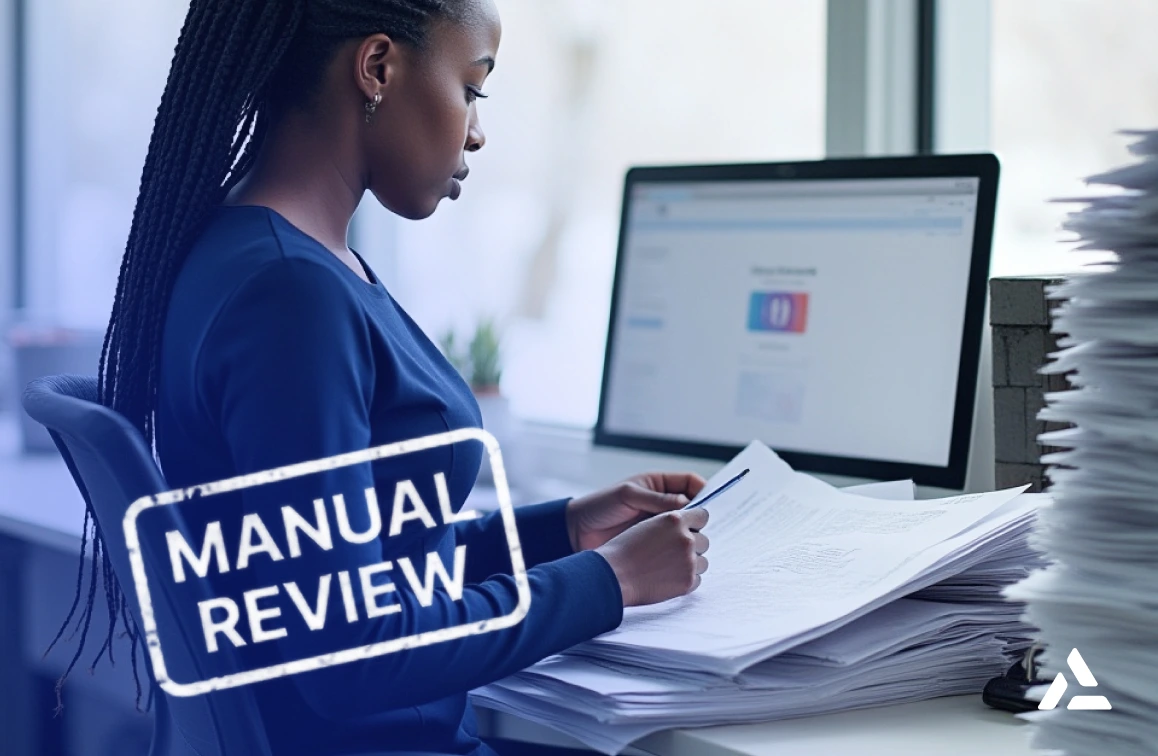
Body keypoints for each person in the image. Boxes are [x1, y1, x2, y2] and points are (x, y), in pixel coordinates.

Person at [51, 1, 712, 754]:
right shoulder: (290, 294)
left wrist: (561, 531)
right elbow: (350, 653)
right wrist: (609, 582)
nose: (477, 131)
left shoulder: (263, 254)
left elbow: (361, 558)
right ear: (377, 68)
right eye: (472, 88)